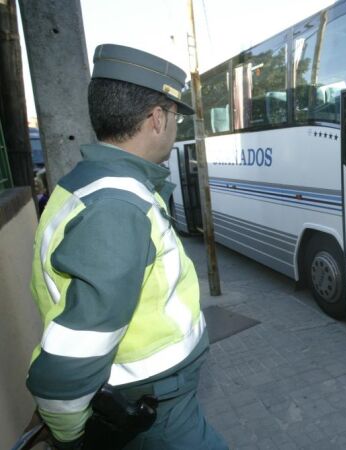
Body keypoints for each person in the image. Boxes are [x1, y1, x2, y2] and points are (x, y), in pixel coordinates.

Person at [25, 44, 227, 449]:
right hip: (152, 409)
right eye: (174, 116)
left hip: (153, 399)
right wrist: (71, 436)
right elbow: (71, 356)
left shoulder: (88, 183)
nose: (174, 128)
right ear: (157, 118)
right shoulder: (118, 206)